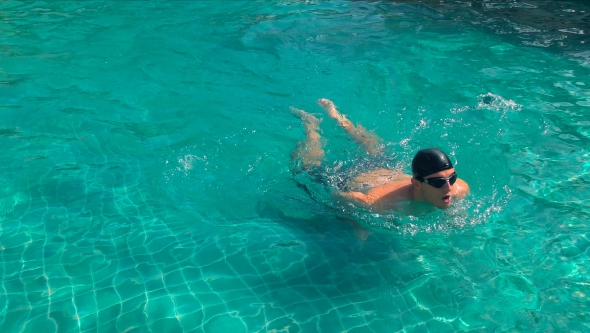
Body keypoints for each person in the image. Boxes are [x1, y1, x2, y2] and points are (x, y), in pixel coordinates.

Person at [291, 98, 469, 214]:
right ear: (416, 183)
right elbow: (341, 197)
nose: (448, 188)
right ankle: (311, 125)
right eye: (438, 182)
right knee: (307, 166)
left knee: (371, 143)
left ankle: (337, 116)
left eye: (452, 178)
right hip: (351, 177)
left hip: (386, 169)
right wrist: (353, 222)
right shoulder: (382, 202)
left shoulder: (460, 189)